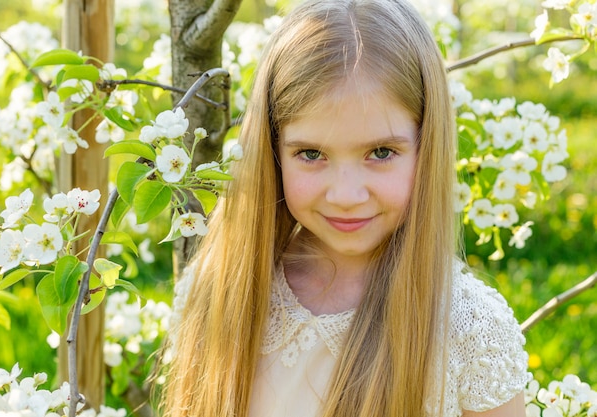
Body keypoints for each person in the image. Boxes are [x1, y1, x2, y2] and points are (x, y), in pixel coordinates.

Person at [161, 0, 531, 416]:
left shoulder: (467, 327)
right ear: (274, 150)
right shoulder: (225, 288)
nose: (346, 195)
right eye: (312, 153)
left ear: (427, 145)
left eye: (381, 151)